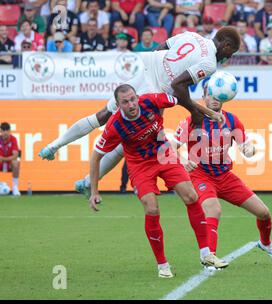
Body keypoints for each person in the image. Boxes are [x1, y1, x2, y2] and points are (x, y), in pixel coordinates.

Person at [39, 28, 241, 192]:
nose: (227, 58)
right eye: (229, 54)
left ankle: (53, 146)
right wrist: (198, 111)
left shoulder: (192, 35)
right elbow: (179, 86)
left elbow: (163, 47)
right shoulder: (210, 63)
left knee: (102, 116)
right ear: (226, 45)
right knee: (131, 136)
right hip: (153, 91)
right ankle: (88, 181)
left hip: (145, 68)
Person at [90, 84, 229, 277]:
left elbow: (183, 100)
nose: (131, 104)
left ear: (137, 96)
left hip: (164, 153)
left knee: (191, 195)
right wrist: (94, 191)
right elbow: (96, 156)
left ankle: (206, 254)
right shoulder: (115, 126)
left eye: (132, 99)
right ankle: (162, 264)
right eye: (125, 102)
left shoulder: (151, 101)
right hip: (140, 165)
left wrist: (209, 113)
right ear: (118, 104)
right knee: (151, 207)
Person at [172, 83, 272, 265]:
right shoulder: (191, 121)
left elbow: (245, 146)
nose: (215, 98)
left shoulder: (232, 120)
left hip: (225, 177)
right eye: (211, 94)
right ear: (204, 96)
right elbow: (168, 148)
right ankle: (210, 258)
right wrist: (183, 161)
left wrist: (249, 149)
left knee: (263, 213)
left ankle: (266, 244)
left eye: (219, 95)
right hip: (201, 176)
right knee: (213, 209)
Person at [0, 122, 20, 196]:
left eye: (7, 131)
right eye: (3, 131)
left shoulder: (13, 139)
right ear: (0, 131)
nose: (5, 133)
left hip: (9, 164)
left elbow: (15, 155)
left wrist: (3, 158)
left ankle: (15, 187)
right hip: (0, 163)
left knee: (16, 162)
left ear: (9, 131)